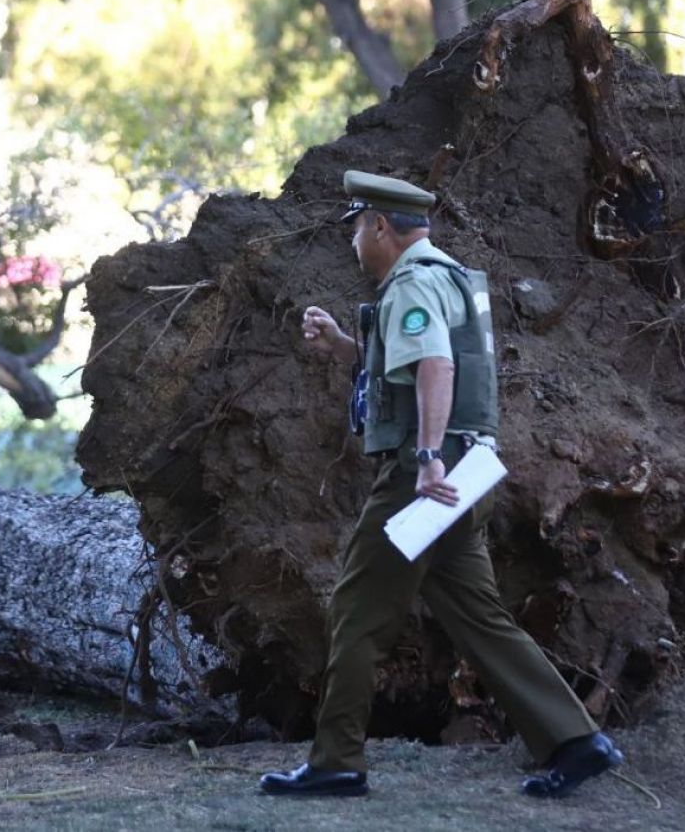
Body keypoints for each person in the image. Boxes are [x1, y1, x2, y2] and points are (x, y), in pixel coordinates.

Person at [258, 170, 622, 799]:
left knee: (356, 610)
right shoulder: (450, 274)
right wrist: (347, 346)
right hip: (467, 470)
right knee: (479, 617)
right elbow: (413, 362)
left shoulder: (412, 282)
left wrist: (425, 458)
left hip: (425, 478)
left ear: (378, 226)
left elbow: (435, 365)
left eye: (356, 228)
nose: (353, 242)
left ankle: (335, 762)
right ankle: (577, 740)